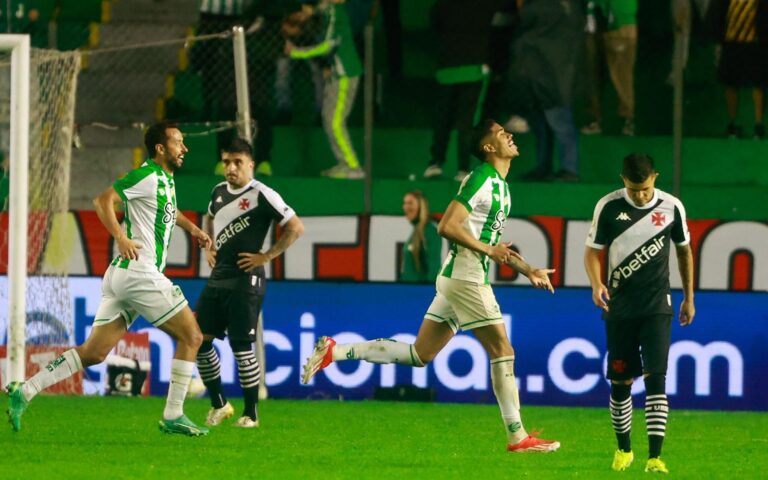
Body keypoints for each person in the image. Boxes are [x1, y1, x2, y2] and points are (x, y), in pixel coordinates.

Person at [302, 119, 561, 453]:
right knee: (503, 351)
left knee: (420, 354)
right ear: (488, 147)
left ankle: (335, 351)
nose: (509, 135)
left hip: (459, 275)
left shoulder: (500, 184)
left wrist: (527, 269)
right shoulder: (483, 177)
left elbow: (490, 244)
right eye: (500, 133)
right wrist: (487, 249)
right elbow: (448, 226)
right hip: (467, 277)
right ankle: (517, 436)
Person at [5, 122, 213, 436]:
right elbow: (102, 201)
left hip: (121, 276)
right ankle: (173, 414)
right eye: (178, 142)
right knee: (192, 337)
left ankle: (27, 390)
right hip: (139, 271)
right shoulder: (145, 176)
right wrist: (120, 236)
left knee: (94, 352)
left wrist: (194, 229)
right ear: (160, 148)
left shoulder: (164, 180)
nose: (184, 148)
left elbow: (169, 211)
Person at [583, 153, 695, 473]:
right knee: (621, 381)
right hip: (619, 307)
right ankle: (624, 450)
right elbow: (592, 253)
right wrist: (595, 284)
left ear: (655, 178)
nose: (640, 195)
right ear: (623, 181)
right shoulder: (608, 206)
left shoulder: (672, 207)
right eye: (634, 189)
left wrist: (689, 297)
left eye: (645, 189)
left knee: (656, 377)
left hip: (658, 304)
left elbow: (684, 250)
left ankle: (655, 457)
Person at [196, 138, 304, 428]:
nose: (231, 168)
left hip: (247, 279)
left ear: (250, 164)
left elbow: (296, 227)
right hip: (219, 277)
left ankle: (251, 414)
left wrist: (267, 255)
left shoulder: (262, 194)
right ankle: (219, 404)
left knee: (242, 346)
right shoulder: (218, 192)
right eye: (227, 162)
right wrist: (208, 246)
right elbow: (210, 217)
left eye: (237, 163)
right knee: (198, 339)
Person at [422, 0, 502, 182]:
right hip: (472, 69)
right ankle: (463, 168)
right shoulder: (484, 5)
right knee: (467, 120)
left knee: (443, 117)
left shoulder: (442, 6)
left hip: (447, 67)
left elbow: (434, 27)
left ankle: (435, 162)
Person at [285, 0, 364, 179]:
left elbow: (327, 45)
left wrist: (296, 52)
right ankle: (345, 164)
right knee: (329, 119)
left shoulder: (336, 13)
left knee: (335, 121)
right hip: (337, 74)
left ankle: (353, 167)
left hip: (345, 74)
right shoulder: (327, 11)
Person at [513, 0, 583, 182]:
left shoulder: (540, 8)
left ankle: (568, 169)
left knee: (558, 124)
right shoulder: (569, 7)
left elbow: (524, 17)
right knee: (547, 125)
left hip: (547, 76)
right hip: (548, 75)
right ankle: (551, 167)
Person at [707, 0, 768, 139]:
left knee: (758, 84)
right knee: (731, 84)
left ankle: (758, 125)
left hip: (755, 43)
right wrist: (718, 38)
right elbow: (718, 13)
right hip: (731, 43)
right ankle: (732, 124)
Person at [581, 0, 638, 136]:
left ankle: (629, 120)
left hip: (619, 21)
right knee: (591, 74)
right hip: (591, 23)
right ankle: (594, 119)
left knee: (622, 75)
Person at [399, 190, 443, 283]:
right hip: (407, 290)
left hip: (419, 292)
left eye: (410, 203)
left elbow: (434, 266)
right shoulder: (416, 231)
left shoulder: (430, 231)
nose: (406, 207)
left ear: (421, 206)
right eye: (405, 203)